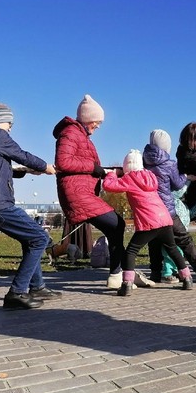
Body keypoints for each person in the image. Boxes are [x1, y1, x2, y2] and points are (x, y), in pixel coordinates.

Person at [0, 101, 59, 310]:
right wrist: (45, 167)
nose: (11, 127)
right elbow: (22, 155)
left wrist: (23, 171)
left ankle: (37, 286)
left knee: (30, 238)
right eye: (9, 122)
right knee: (40, 238)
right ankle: (17, 292)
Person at [53, 95, 126, 289]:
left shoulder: (81, 135)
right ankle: (120, 273)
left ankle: (119, 273)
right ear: (87, 118)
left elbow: (91, 167)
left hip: (83, 191)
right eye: (97, 122)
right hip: (77, 193)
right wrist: (94, 168)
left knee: (116, 226)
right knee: (117, 224)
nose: (98, 126)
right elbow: (63, 162)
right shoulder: (70, 133)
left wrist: (108, 172)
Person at [102, 149, 194, 296]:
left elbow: (109, 186)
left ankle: (127, 284)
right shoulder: (150, 176)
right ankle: (187, 278)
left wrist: (112, 174)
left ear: (126, 166)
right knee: (172, 248)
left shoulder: (130, 179)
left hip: (148, 222)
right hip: (164, 218)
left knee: (131, 251)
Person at [143, 129, 196, 284]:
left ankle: (156, 272)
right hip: (168, 208)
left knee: (154, 241)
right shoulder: (169, 164)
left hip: (150, 209)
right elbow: (178, 184)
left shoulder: (143, 162)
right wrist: (186, 177)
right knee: (183, 239)